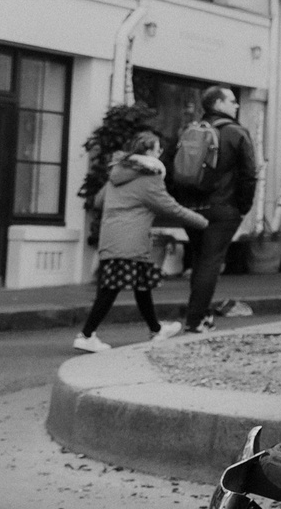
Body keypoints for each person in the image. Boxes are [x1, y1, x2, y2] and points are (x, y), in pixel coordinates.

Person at [74, 133, 207, 351]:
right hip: (130, 240)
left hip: (112, 237)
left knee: (141, 286)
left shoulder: (117, 174)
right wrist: (201, 221)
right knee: (110, 290)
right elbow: (170, 207)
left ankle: (156, 329)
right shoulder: (149, 178)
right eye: (157, 150)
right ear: (148, 153)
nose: (160, 154)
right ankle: (86, 335)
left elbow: (98, 201)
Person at [167, 85, 260, 336]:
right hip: (223, 208)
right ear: (218, 104)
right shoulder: (237, 132)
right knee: (210, 262)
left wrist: (181, 202)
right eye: (231, 101)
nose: (236, 105)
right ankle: (195, 320)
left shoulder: (189, 130)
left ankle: (202, 314)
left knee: (200, 260)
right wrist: (242, 207)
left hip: (192, 208)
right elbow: (249, 175)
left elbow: (170, 169)